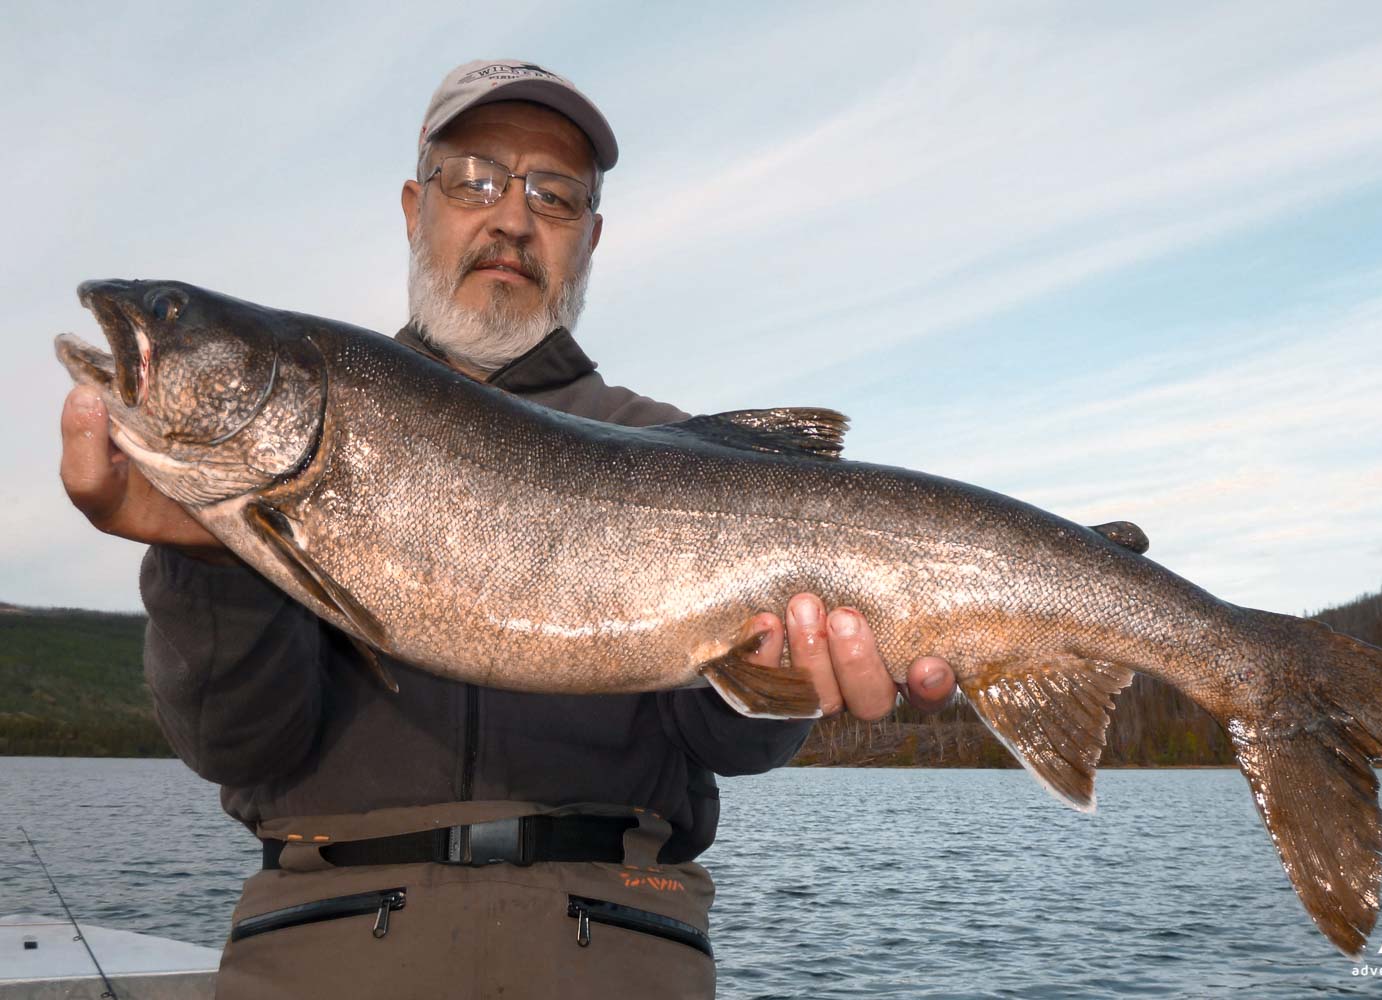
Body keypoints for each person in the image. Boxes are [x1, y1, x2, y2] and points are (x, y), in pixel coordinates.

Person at [59, 59, 957, 998]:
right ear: (416, 207)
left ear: (590, 238)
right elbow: (237, 748)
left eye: (556, 195)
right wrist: (207, 556)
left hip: (616, 929)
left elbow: (725, 745)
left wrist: (788, 680)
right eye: (475, 178)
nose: (513, 217)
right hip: (324, 933)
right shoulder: (304, 443)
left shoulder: (672, 448)